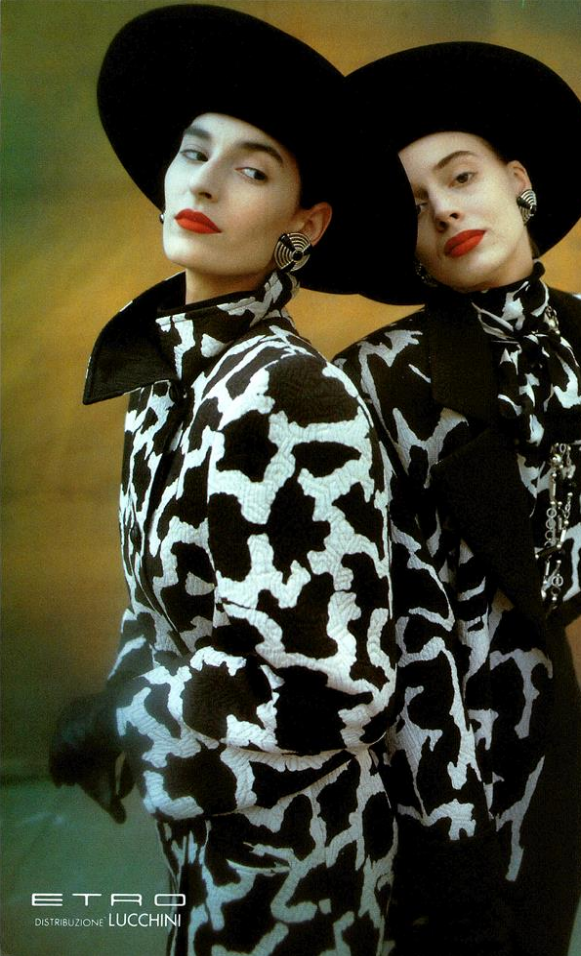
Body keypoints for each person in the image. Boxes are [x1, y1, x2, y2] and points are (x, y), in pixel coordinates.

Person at [48, 6, 408, 954]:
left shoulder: (292, 394)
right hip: (205, 830)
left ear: (305, 223)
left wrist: (126, 722)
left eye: (252, 169)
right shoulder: (166, 373)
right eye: (193, 151)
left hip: (296, 859)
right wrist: (127, 704)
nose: (203, 180)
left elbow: (340, 689)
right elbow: (158, 607)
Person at [336, 42, 581, 956]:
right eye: (415, 203)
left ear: (517, 181)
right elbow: (387, 614)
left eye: (461, 177)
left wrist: (555, 596)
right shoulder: (376, 378)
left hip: (548, 713)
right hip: (419, 737)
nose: (446, 209)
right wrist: (448, 819)